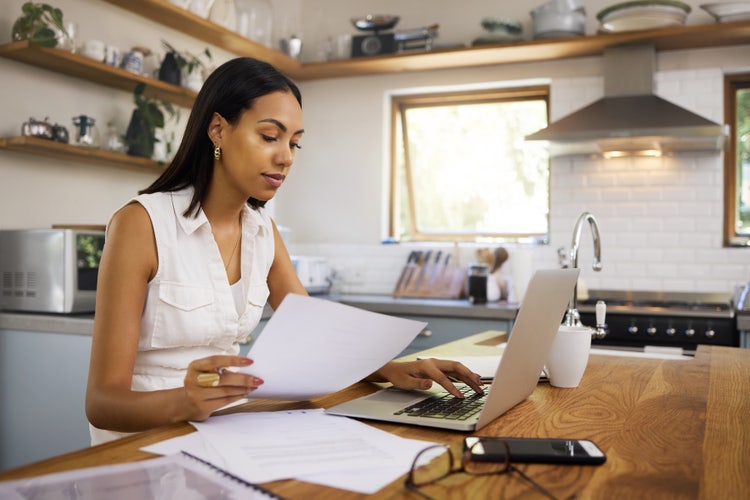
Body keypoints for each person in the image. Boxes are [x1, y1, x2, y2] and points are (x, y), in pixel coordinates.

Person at [85, 57, 483, 445]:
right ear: (218, 130)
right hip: (141, 444)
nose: (286, 157)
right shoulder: (141, 224)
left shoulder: (262, 232)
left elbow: (317, 336)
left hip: (224, 432)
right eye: (269, 136)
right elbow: (102, 404)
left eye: (294, 143)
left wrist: (395, 369)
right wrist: (184, 402)